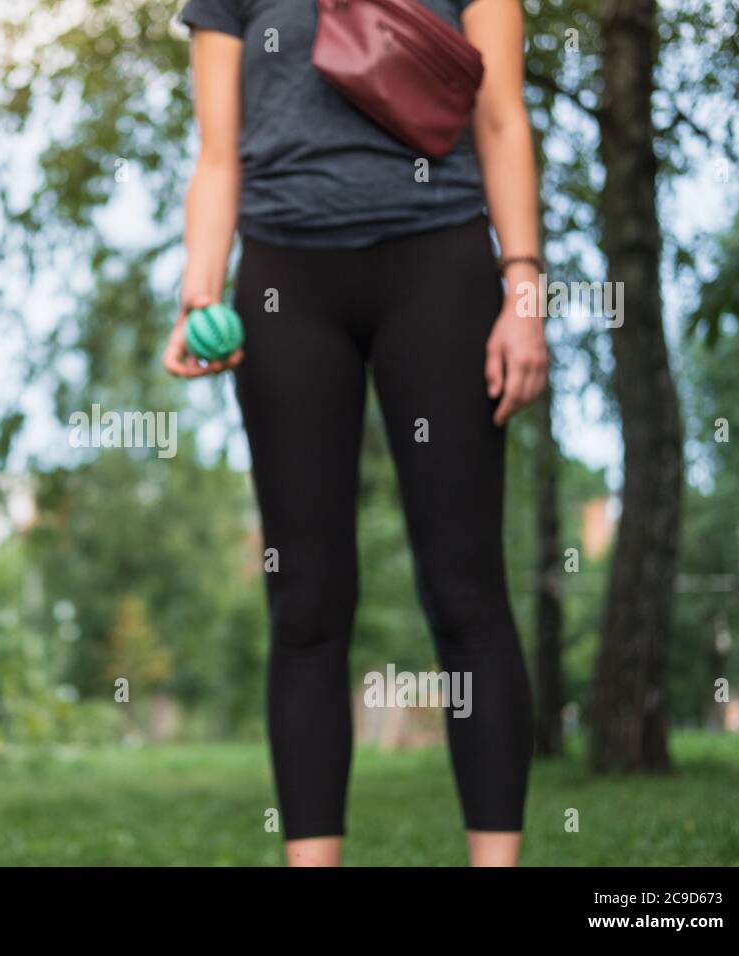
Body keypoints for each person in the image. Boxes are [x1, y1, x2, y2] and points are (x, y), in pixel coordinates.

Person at [165, 0, 548, 866]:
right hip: (284, 284)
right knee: (304, 601)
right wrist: (199, 294)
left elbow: (500, 117)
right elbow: (218, 154)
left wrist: (524, 294)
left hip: (439, 265)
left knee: (465, 590)